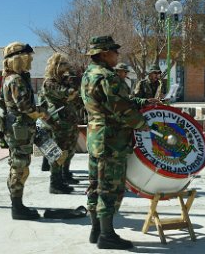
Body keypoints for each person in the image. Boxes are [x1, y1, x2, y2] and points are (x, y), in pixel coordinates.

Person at [81, 35, 160, 249]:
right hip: (112, 140)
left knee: (95, 185)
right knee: (110, 187)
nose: (118, 55)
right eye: (115, 51)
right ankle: (107, 236)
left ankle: (96, 230)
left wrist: (142, 102)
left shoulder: (89, 74)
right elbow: (122, 109)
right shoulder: (108, 76)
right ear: (105, 53)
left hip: (96, 137)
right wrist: (142, 124)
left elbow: (115, 100)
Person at [0, 42, 48, 220]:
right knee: (20, 167)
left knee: (18, 166)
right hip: (19, 131)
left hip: (17, 129)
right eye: (29, 57)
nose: (31, 60)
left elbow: (1, 103)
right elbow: (26, 107)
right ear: (19, 58)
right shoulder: (16, 80)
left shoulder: (9, 79)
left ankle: (17, 205)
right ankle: (17, 208)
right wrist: (42, 113)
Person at [39, 53, 80, 194]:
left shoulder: (62, 81)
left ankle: (63, 177)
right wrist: (75, 80)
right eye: (63, 64)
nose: (66, 67)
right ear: (55, 66)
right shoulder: (50, 83)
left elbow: (76, 97)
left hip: (68, 121)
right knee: (57, 154)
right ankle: (55, 183)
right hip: (57, 123)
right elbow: (69, 93)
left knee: (69, 151)